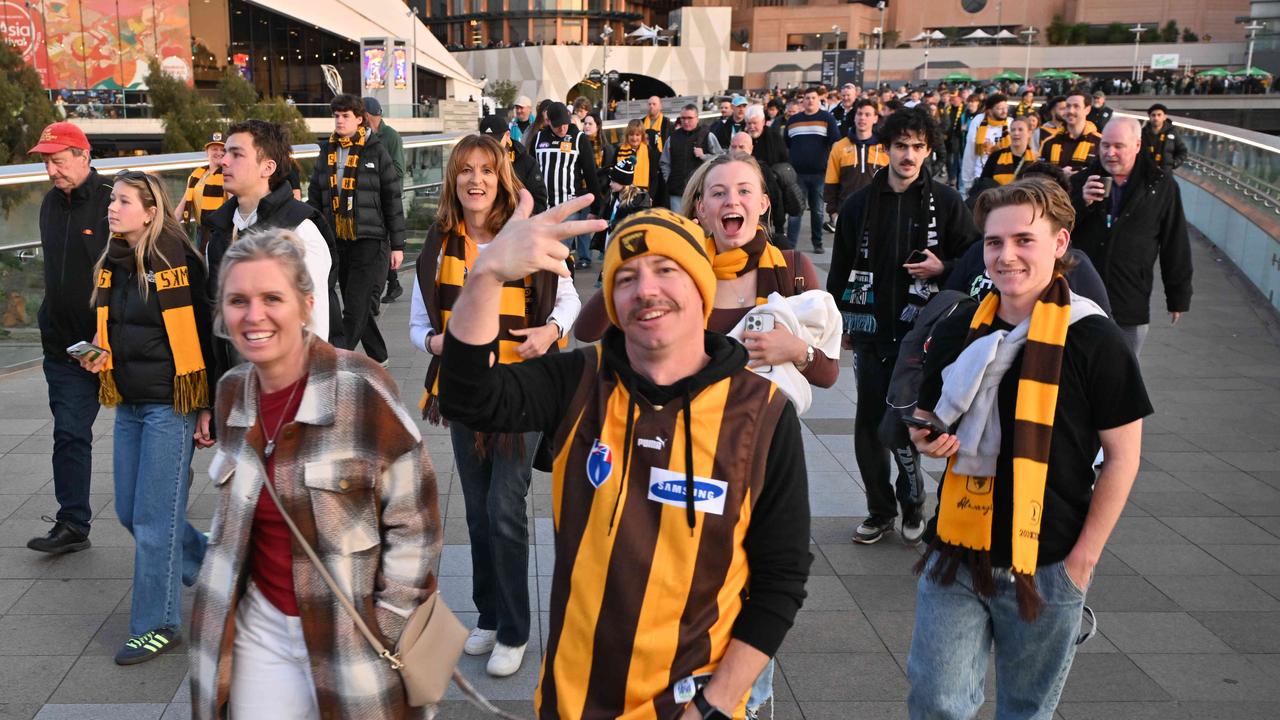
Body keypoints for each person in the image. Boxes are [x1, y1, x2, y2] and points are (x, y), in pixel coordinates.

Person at [439, 199, 810, 719]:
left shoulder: (763, 413)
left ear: (700, 286)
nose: (646, 290)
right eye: (626, 277)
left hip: (693, 705)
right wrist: (486, 275)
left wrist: (716, 705)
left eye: (665, 270)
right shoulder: (579, 381)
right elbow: (466, 398)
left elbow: (782, 576)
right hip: (575, 699)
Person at [906, 177, 1150, 720]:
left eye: (1024, 240)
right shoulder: (962, 328)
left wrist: (1081, 564)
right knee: (936, 702)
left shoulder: (1095, 339)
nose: (1006, 256)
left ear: (1061, 245)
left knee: (1025, 711)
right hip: (956, 553)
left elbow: (1124, 456)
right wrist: (927, 440)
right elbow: (925, 425)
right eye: (994, 242)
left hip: (1049, 560)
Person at [189, 229, 441, 719]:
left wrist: (389, 624)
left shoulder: (360, 386)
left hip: (350, 635)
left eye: (272, 298)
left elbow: (417, 520)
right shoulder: (231, 393)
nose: (254, 315)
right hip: (261, 628)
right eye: (238, 300)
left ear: (306, 305)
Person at [410, 134, 579, 678]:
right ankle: (488, 615)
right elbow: (420, 327)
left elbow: (571, 295)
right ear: (453, 180)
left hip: (523, 391)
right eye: (465, 170)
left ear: (501, 177)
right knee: (479, 512)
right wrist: (440, 345)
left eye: (486, 169)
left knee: (507, 508)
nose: (475, 179)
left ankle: (515, 631)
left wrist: (551, 331)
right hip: (463, 395)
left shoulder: (525, 236)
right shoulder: (438, 247)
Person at [829, 107, 979, 545]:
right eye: (900, 146)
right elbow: (840, 270)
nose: (908, 155)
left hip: (926, 336)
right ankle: (880, 510)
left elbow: (974, 266)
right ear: (887, 149)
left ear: (928, 149)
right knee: (871, 424)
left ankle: (913, 500)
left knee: (909, 424)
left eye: (917, 147)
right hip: (872, 333)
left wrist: (943, 266)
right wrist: (835, 326)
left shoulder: (948, 203)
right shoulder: (860, 204)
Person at [80, 170, 211, 664]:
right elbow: (118, 332)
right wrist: (96, 353)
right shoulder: (111, 262)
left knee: (155, 521)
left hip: (167, 405)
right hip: (129, 402)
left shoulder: (176, 261)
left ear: (152, 211)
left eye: (124, 201)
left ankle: (157, 624)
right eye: (112, 200)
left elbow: (203, 337)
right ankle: (215, 565)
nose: (112, 208)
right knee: (130, 513)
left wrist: (206, 408)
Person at [26, 122, 112, 555]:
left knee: (159, 424)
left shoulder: (114, 202)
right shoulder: (48, 204)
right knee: (70, 432)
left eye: (58, 160)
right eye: (45, 161)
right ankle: (73, 522)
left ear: (83, 156)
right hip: (65, 346)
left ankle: (177, 469)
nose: (51, 169)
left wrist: (107, 331)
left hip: (113, 343)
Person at [204, 118, 340, 360]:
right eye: (225, 153)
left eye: (236, 154)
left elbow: (315, 326)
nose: (223, 161)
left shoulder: (301, 230)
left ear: (267, 168)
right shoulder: (218, 231)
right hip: (235, 384)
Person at [1070, 117, 1193, 357]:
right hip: (1081, 301)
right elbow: (1057, 232)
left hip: (1129, 300)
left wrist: (1178, 296)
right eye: (1105, 145)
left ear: (1137, 145)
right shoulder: (1081, 181)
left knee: (1123, 376)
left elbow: (1175, 242)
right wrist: (1080, 202)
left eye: (1118, 146)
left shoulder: (1160, 185)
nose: (1110, 153)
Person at [307, 94, 405, 366]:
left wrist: (397, 245)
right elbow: (316, 195)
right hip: (337, 239)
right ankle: (379, 356)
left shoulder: (375, 150)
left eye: (345, 115)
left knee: (356, 305)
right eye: (336, 115)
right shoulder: (327, 151)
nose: (339, 120)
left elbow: (392, 198)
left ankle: (336, 359)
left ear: (359, 119)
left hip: (370, 239)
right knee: (355, 304)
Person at [532, 101, 603, 268]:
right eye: (558, 126)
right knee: (544, 256)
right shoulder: (538, 138)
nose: (562, 129)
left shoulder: (578, 139)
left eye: (565, 124)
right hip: (543, 208)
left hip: (568, 207)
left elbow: (590, 174)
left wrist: (595, 208)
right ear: (548, 121)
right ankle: (551, 291)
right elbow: (531, 172)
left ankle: (563, 290)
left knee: (558, 255)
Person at [362, 96, 408, 305]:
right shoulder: (364, 136)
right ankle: (393, 283)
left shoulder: (391, 137)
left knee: (386, 243)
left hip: (387, 198)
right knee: (383, 243)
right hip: (372, 198)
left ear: (367, 116)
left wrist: (375, 166)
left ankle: (388, 285)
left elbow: (399, 169)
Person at [783, 86, 839, 253]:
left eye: (813, 98)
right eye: (807, 98)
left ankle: (817, 243)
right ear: (803, 101)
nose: (809, 101)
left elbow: (835, 142)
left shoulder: (827, 118)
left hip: (819, 174)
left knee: (817, 211)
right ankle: (791, 245)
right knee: (795, 210)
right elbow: (787, 142)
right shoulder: (793, 121)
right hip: (797, 174)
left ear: (818, 100)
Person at [824, 99, 888, 219]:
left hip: (878, 212)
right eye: (859, 114)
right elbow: (831, 181)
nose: (862, 118)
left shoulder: (885, 148)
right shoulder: (840, 146)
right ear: (854, 117)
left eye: (867, 114)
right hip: (847, 211)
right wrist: (833, 212)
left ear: (875, 118)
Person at [479, 113, 549, 214]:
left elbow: (539, 201)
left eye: (495, 141)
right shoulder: (475, 161)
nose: (491, 147)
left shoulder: (526, 162)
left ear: (507, 135)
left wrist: (517, 217)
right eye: (486, 142)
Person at [662, 103, 723, 213]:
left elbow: (720, 159)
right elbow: (664, 162)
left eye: (689, 118)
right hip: (677, 191)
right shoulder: (673, 138)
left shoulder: (708, 136)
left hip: (700, 190)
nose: (686, 121)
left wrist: (704, 156)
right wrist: (669, 179)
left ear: (697, 118)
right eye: (683, 118)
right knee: (679, 225)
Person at [728, 131, 788, 240]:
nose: (737, 151)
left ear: (751, 149)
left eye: (742, 147)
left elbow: (776, 199)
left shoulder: (763, 171)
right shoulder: (722, 171)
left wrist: (779, 228)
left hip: (758, 228)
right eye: (733, 147)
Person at [176, 132, 228, 237]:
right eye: (214, 149)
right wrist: (165, 226)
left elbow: (234, 207)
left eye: (223, 150)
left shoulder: (229, 174)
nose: (219, 153)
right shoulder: (196, 175)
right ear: (206, 151)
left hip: (221, 233)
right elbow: (182, 207)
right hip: (201, 232)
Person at [1040, 90, 1103, 175]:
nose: (1070, 111)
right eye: (1068, 106)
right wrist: (1061, 173)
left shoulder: (1100, 143)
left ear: (1087, 110)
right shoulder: (1050, 142)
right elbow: (1041, 175)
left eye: (1076, 106)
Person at [960, 94, 1010, 195]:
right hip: (982, 176)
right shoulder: (979, 121)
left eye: (1006, 108)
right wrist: (968, 181)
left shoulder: (1010, 123)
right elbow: (970, 152)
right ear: (989, 111)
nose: (1005, 111)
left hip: (1005, 177)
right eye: (1000, 108)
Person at [975, 116, 1037, 189]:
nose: (1016, 133)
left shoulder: (1036, 160)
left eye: (1020, 130)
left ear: (1029, 133)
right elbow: (983, 184)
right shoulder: (996, 157)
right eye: (1013, 130)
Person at [642, 95, 675, 204]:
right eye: (649, 104)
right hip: (645, 161)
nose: (651, 106)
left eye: (654, 104)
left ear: (660, 106)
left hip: (661, 162)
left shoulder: (667, 123)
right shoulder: (642, 122)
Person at [1142, 103, 1188, 171]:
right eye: (1153, 115)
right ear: (1149, 117)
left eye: (1159, 115)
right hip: (1145, 173)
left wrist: (1174, 163)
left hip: (1165, 173)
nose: (1156, 118)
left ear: (1165, 117)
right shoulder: (1143, 133)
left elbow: (1183, 151)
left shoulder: (1172, 132)